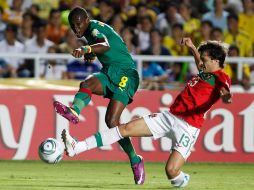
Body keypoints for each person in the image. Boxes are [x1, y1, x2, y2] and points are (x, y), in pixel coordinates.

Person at [61, 38, 232, 188]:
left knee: (171, 171)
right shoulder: (206, 71)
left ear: (216, 61)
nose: (201, 63)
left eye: (205, 60)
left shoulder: (221, 78)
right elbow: (200, 65)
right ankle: (78, 147)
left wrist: (225, 97)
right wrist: (193, 48)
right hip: (169, 117)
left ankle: (182, 180)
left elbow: (224, 91)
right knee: (125, 129)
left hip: (188, 127)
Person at [53, 7, 144, 185]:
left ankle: (135, 159)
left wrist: (87, 49)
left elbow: (105, 45)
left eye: (78, 24)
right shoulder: (90, 30)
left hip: (126, 74)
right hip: (110, 71)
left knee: (112, 121)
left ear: (86, 20)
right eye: (73, 26)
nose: (76, 29)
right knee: (87, 83)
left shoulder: (94, 28)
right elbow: (107, 46)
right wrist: (92, 53)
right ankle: (75, 111)